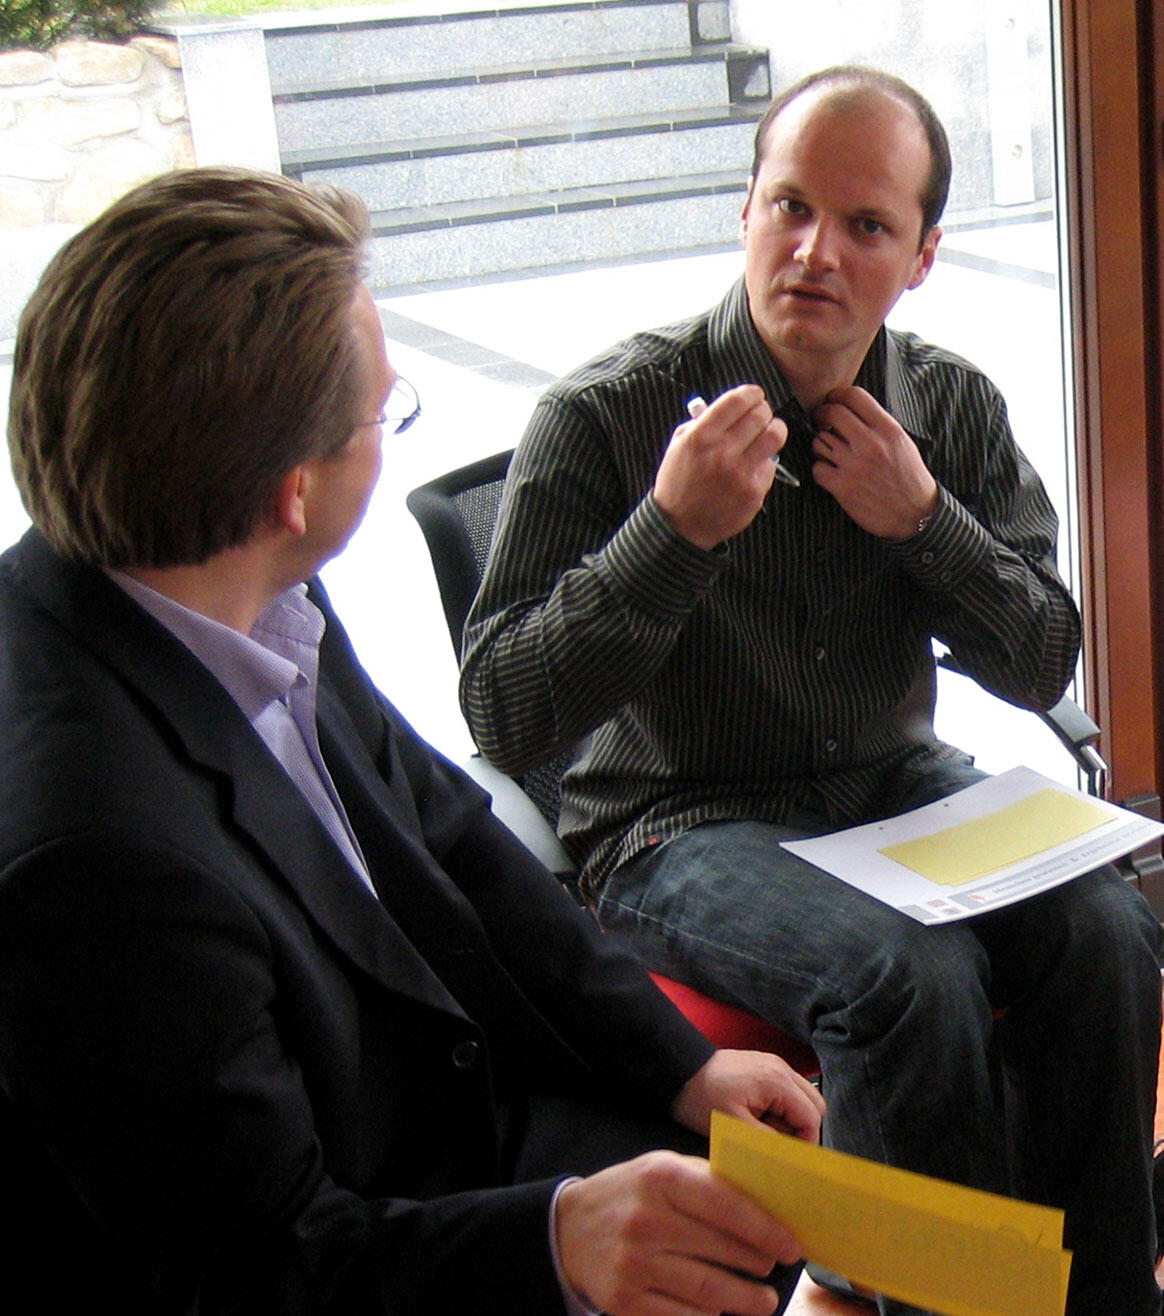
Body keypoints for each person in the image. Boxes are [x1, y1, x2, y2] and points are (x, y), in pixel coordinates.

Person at [0, 167, 826, 1315]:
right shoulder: (98, 860)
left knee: (739, 1218)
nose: (389, 427)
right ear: (292, 492)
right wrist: (555, 1242)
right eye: (383, 415)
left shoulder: (220, 566)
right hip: (342, 1227)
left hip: (426, 1099)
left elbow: (447, 826)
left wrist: (677, 1061)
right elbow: (252, 1266)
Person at [459, 65, 1164, 1314]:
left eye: (867, 226)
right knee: (909, 976)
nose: (815, 254)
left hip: (896, 784)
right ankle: (947, 1299)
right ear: (745, 209)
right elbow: (503, 710)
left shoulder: (945, 404)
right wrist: (669, 532)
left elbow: (1045, 656)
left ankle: (1085, 1294)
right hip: (676, 818)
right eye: (788, 208)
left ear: (924, 255)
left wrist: (926, 522)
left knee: (1106, 926)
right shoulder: (606, 413)